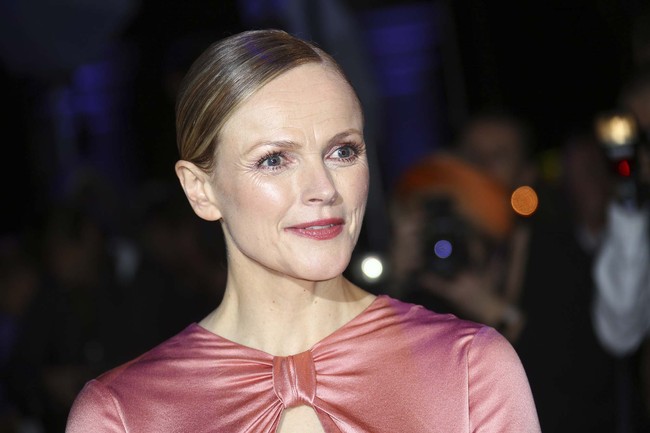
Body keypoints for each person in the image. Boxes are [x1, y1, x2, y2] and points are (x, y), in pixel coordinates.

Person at [65, 29, 540, 432]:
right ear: (200, 190)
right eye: (274, 160)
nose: (323, 188)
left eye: (343, 152)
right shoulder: (123, 415)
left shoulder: (469, 370)